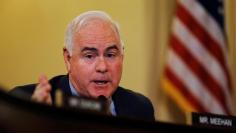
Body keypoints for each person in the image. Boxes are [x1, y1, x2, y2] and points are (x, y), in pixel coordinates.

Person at [10, 10, 155, 120]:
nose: (102, 67)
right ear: (68, 59)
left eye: (110, 55)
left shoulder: (140, 108)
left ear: (122, 56)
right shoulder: (24, 103)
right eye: (89, 56)